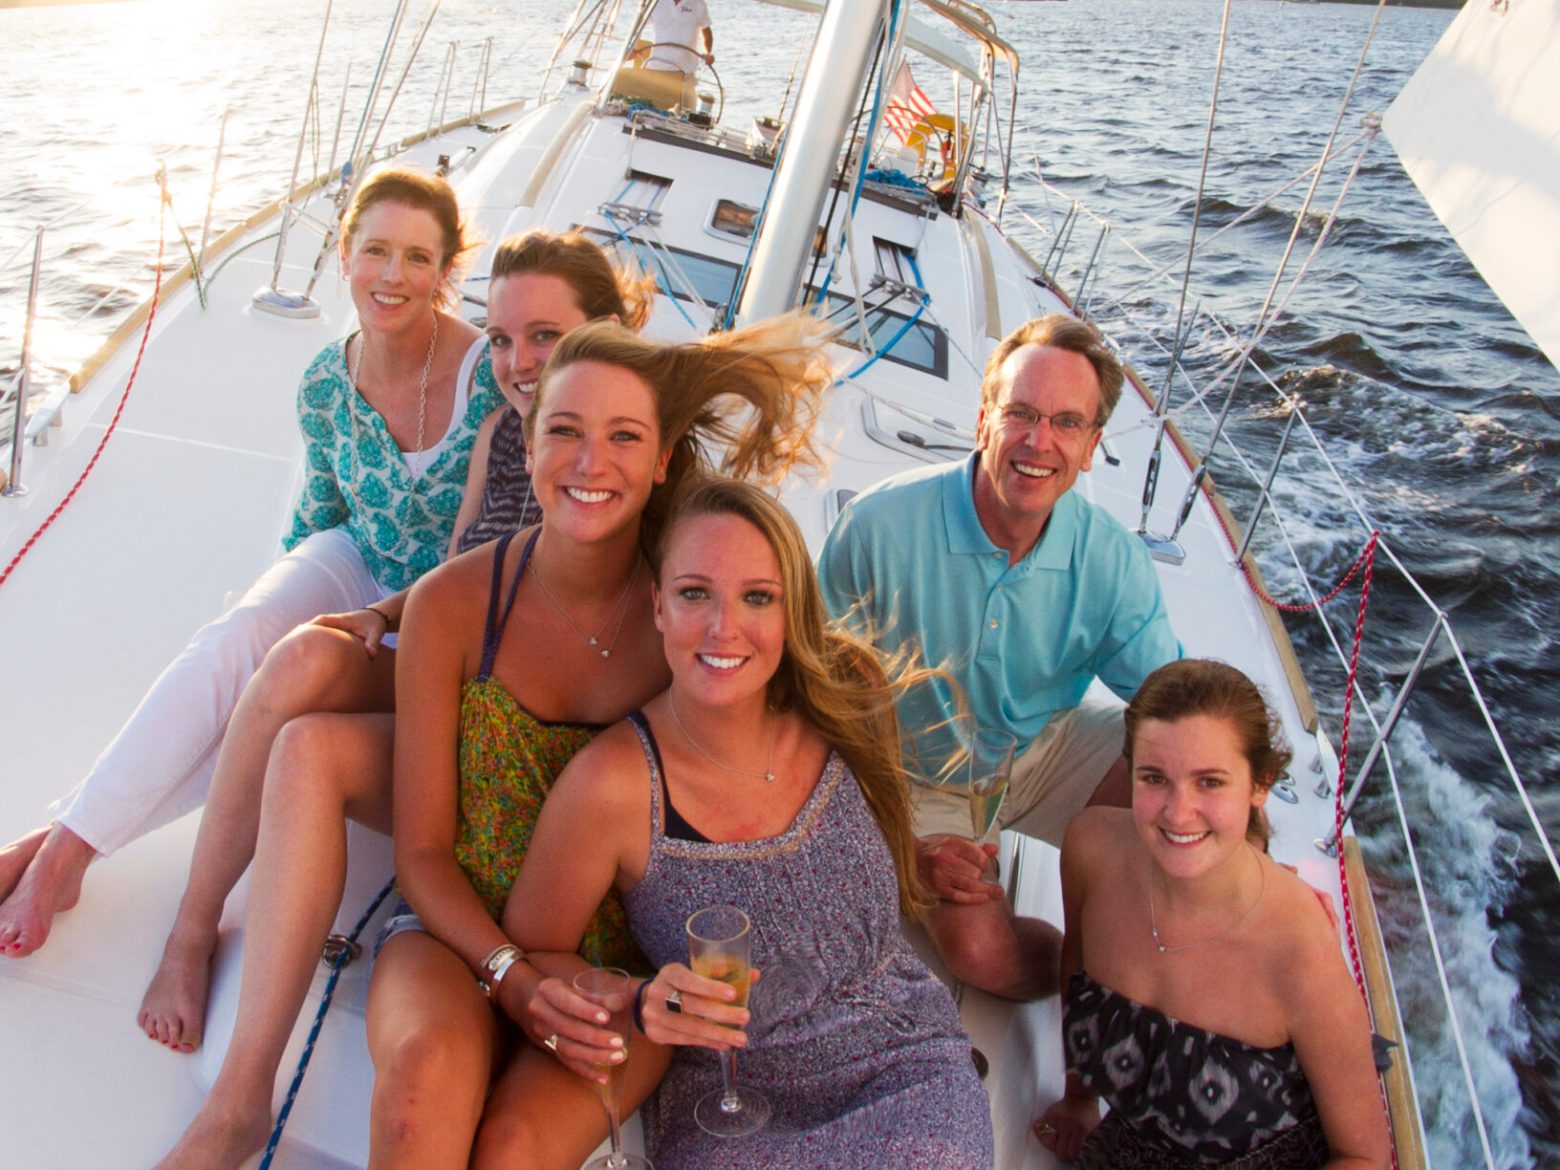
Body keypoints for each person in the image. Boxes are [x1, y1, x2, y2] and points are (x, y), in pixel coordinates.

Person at [146, 315, 831, 1170]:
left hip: (618, 966)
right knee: (417, 1094)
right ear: (527, 443)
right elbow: (427, 852)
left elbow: (776, 755)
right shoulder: (453, 605)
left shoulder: (691, 612)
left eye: (624, 436)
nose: (590, 462)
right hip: (460, 933)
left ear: (660, 462)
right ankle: (236, 1108)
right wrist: (510, 974)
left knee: (512, 1152)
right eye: (565, 432)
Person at [134, 229, 654, 1054]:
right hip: (459, 682)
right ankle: (192, 931)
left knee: (311, 739)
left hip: (521, 737)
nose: (516, 361)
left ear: (605, 332)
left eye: (544, 337)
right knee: (304, 656)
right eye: (503, 337)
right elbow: (470, 567)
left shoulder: (627, 463)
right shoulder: (505, 439)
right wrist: (386, 612)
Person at [0, 167, 503, 960]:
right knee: (238, 642)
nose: (393, 276)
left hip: (438, 601)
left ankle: (56, 842)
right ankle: (68, 851)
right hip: (356, 555)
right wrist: (280, 607)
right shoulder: (324, 385)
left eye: (417, 257)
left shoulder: (488, 379)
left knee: (281, 681)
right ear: (345, 254)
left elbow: (497, 536)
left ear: (446, 271)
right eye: (375, 250)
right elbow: (321, 515)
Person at [505, 478, 993, 1169]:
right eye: (695, 593)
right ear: (659, 608)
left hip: (903, 1062)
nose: (722, 628)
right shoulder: (611, 786)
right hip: (731, 1100)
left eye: (756, 597)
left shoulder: (845, 707)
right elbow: (533, 953)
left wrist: (911, 859)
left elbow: (855, 848)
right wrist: (640, 997)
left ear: (791, 611)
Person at [818, 312, 1181, 1001]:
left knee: (1187, 776)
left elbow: (1175, 701)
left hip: (1046, 750)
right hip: (915, 775)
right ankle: (1088, 970)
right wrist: (897, 844)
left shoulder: (1112, 558)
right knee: (985, 958)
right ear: (984, 418)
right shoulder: (876, 527)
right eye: (1021, 413)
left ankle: (1118, 963)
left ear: (1092, 443)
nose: (1039, 442)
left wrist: (1238, 796)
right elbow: (807, 701)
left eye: (1067, 423)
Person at [1034, 659, 1390, 1170]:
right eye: (1155, 778)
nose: (1178, 813)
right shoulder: (1091, 848)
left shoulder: (1298, 946)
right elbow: (1076, 976)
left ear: (1260, 784)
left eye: (1210, 782)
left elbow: (1362, 1156)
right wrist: (1079, 1099)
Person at [643, 0, 714, 75]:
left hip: (686, 70)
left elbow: (706, 31)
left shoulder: (698, 3)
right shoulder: (654, 3)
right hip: (656, 66)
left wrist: (708, 53)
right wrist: (643, 4)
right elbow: (639, 25)